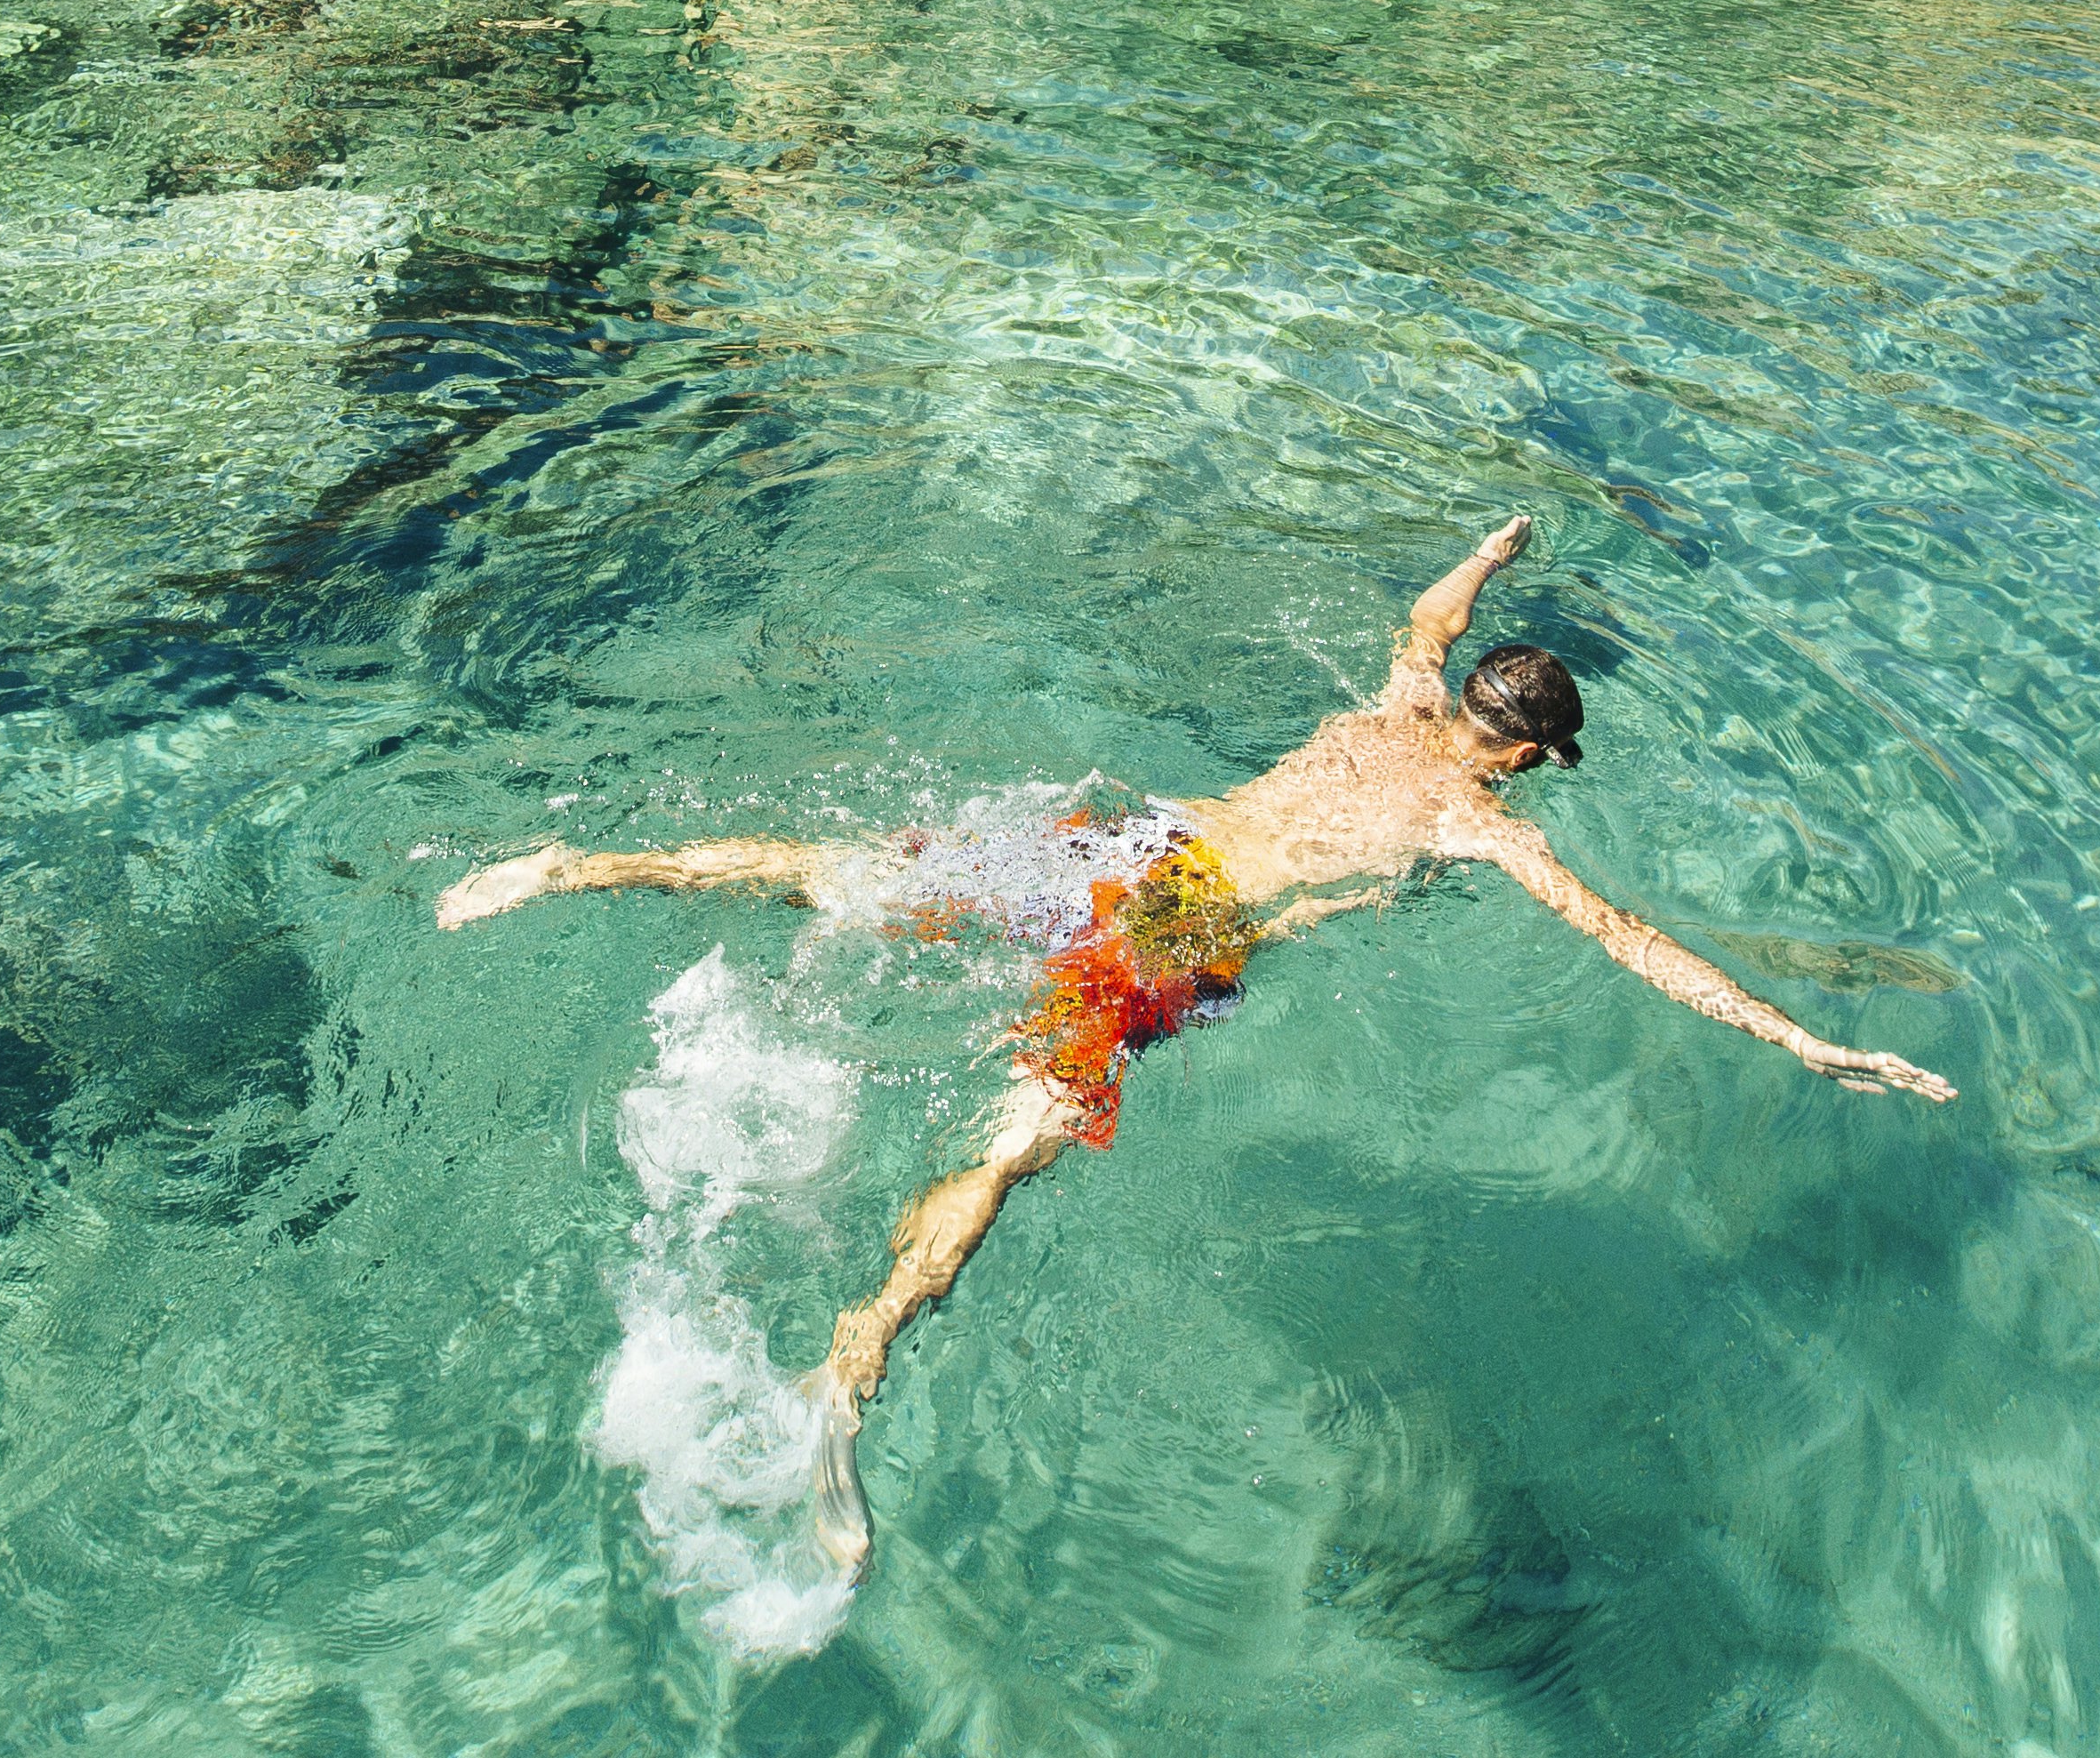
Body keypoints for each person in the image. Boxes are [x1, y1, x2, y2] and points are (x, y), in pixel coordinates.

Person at [437, 516, 1952, 1562]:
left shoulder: (1397, 706)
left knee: (861, 872)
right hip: (1188, 920)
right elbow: (1631, 940)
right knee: (1023, 1135)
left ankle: (568, 866)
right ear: (1533, 754)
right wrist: (1806, 1040)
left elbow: (1427, 617)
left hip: (1138, 836)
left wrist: (1489, 555)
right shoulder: (1469, 818)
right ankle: (861, 1350)